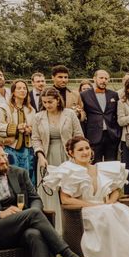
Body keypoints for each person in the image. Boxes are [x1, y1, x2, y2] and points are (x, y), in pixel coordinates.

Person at [32, 88, 84, 233]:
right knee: (50, 190)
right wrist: (40, 156)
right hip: (47, 157)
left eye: (50, 102)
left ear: (57, 100)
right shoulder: (38, 117)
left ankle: (73, 227)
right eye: (44, 102)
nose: (47, 105)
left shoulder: (70, 114)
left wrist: (75, 155)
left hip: (68, 156)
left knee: (69, 189)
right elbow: (35, 139)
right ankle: (53, 228)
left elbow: (79, 135)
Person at [0, 80, 36, 184]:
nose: (22, 90)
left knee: (28, 177)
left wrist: (30, 130)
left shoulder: (30, 109)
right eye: (19, 88)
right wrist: (15, 128)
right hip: (12, 148)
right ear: (13, 92)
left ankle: (28, 199)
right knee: (14, 177)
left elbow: (35, 126)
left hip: (29, 149)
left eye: (24, 88)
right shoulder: (4, 108)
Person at [80, 69, 120, 162]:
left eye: (106, 78)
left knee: (111, 166)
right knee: (94, 165)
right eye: (101, 78)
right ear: (94, 79)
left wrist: (117, 133)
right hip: (93, 136)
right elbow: (82, 116)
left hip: (111, 136)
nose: (103, 80)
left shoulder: (114, 94)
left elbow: (117, 115)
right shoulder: (84, 95)